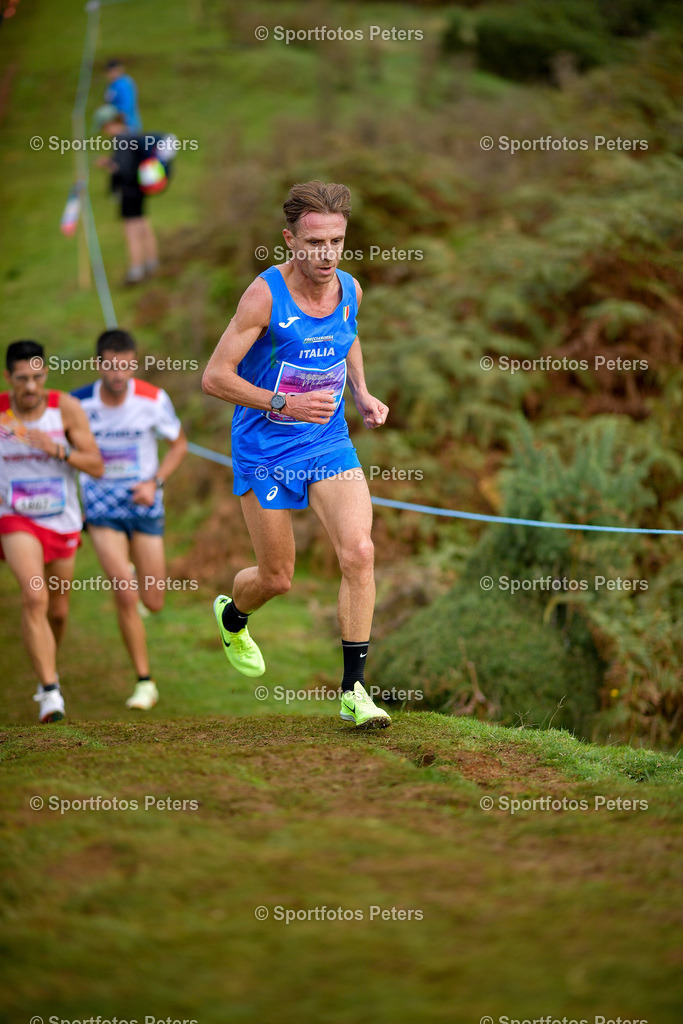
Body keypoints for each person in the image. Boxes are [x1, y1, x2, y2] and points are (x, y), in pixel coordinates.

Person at [202, 180, 391, 729]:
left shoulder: (350, 288)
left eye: (335, 241)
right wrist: (282, 401)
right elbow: (215, 377)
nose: (326, 255)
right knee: (277, 577)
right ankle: (233, 615)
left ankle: (354, 691)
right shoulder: (264, 296)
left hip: (327, 439)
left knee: (359, 552)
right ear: (290, 240)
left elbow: (346, 335)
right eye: (314, 243)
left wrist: (360, 390)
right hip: (263, 446)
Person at [72, 330, 187, 710]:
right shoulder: (78, 403)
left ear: (133, 364)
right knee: (124, 592)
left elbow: (179, 444)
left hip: (144, 502)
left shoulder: (153, 400)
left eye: (125, 366)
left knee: (153, 601)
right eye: (110, 365)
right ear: (98, 364)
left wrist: (155, 483)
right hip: (102, 506)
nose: (118, 374)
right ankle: (144, 682)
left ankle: (139, 585)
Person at [0, 340, 103, 722]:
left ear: (46, 376)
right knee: (34, 597)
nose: (30, 387)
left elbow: (96, 465)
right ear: (9, 377)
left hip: (61, 520)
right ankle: (49, 692)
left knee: (58, 613)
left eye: (37, 377)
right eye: (22, 379)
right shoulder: (1, 413)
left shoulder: (65, 409)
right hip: (15, 518)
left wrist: (58, 450)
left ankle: (49, 668)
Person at [93, 105, 165, 285]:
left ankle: (136, 270)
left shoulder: (121, 140)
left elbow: (123, 169)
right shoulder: (133, 134)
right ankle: (152, 263)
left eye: (104, 127)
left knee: (132, 231)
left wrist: (108, 165)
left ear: (109, 124)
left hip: (128, 192)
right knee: (144, 225)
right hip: (140, 190)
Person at [104, 59, 142, 132]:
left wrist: (115, 114)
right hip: (115, 123)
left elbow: (127, 104)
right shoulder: (113, 85)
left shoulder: (124, 84)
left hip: (127, 123)